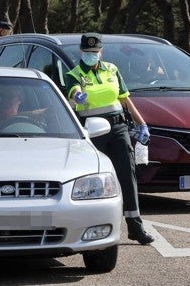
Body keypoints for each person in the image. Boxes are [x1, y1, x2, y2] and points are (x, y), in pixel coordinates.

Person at [65, 33, 154, 245]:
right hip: (93, 130)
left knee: (127, 174)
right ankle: (92, 228)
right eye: (87, 52)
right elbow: (72, 92)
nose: (91, 56)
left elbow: (125, 100)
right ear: (81, 52)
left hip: (118, 127)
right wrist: (78, 96)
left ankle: (135, 226)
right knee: (94, 178)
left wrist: (142, 124)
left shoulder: (112, 69)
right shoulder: (74, 73)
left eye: (95, 52)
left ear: (101, 52)